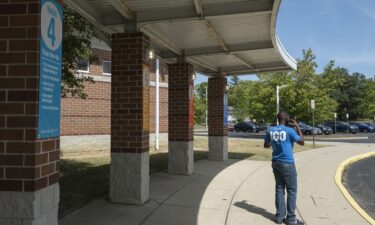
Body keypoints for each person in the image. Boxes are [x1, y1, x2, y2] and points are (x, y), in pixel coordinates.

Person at [264, 112, 305, 225]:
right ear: (286, 119)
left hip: (276, 162)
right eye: (288, 117)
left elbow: (266, 145)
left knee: (279, 189)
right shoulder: (289, 130)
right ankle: (291, 219)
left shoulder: (270, 130)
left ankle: (279, 217)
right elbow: (302, 141)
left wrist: (275, 142)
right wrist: (296, 126)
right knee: (291, 190)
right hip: (287, 163)